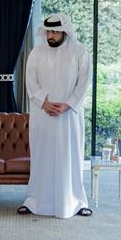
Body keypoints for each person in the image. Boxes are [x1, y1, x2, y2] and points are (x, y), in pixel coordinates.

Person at [19, 13, 93, 218]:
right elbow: (30, 81)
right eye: (48, 31)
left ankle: (76, 201)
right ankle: (34, 201)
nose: (50, 35)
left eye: (55, 32)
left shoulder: (80, 52)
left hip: (69, 118)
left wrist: (68, 105)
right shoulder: (37, 52)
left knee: (69, 159)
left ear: (65, 32)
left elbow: (84, 83)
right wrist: (44, 102)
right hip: (43, 115)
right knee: (42, 158)